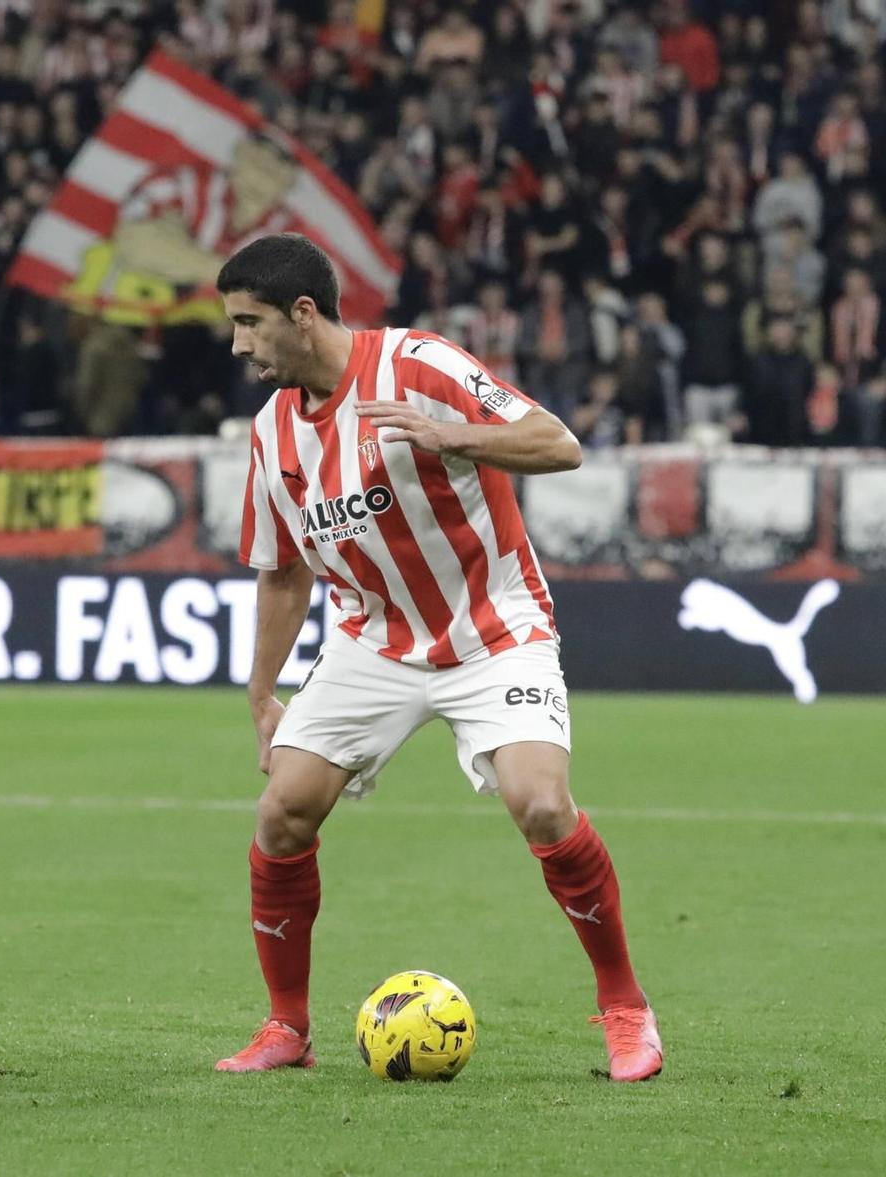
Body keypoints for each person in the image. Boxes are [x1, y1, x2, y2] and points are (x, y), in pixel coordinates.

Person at [212, 234, 662, 1082]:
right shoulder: (272, 431)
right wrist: (263, 693)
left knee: (540, 802)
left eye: (249, 323)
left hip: (492, 627)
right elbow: (282, 573)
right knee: (282, 814)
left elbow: (558, 442)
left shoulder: (417, 363)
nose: (239, 344)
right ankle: (287, 1026)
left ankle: (626, 1008)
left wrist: (453, 435)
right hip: (370, 641)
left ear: (302, 315)